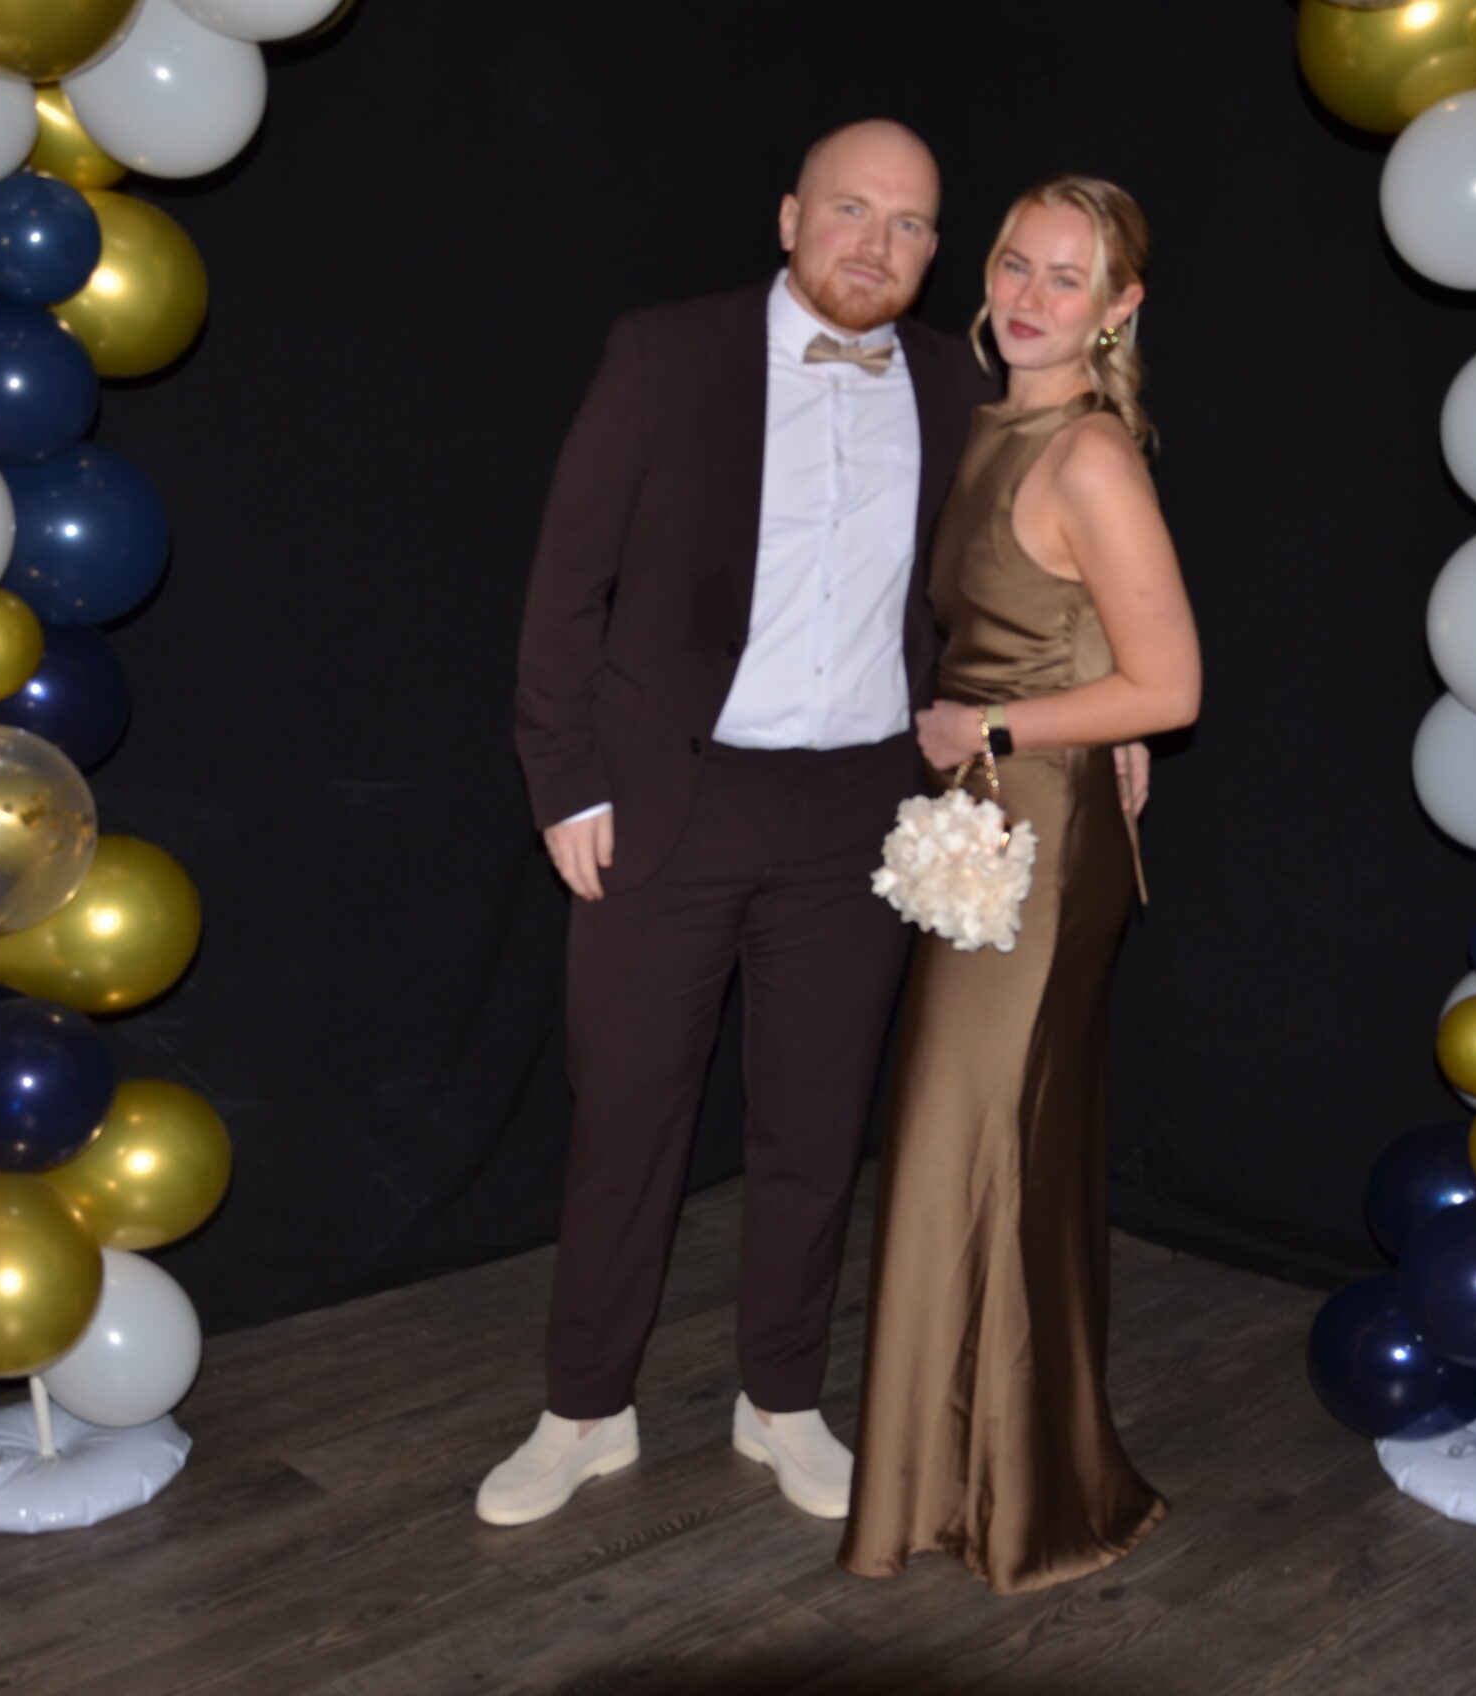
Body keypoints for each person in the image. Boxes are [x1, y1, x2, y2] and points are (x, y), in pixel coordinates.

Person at [487, 120, 999, 1527]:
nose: (876, 244)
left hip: (857, 814)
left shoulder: (956, 384)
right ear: (789, 216)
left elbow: (1016, 583)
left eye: (909, 223)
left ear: (933, 251)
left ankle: (781, 1400)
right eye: (851, 209)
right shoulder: (666, 355)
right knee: (626, 1118)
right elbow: (566, 584)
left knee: (817, 1129)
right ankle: (585, 1410)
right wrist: (565, 779)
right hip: (671, 799)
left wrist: (1099, 721)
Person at [837, 176, 1200, 1593]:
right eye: (1014, 264)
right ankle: (960, 1477)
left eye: (1068, 276)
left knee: (979, 1141)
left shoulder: (1091, 455)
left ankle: (1022, 1496)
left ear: (1119, 307)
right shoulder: (987, 422)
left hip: (1040, 838)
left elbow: (1171, 687)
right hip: (988, 821)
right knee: (974, 1146)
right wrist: (1043, 716)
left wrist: (994, 727)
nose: (1031, 296)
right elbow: (1074, 635)